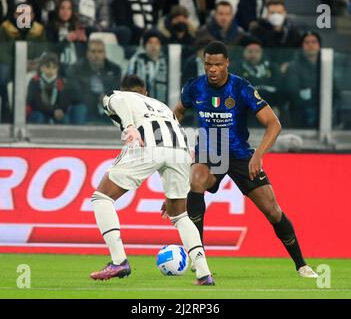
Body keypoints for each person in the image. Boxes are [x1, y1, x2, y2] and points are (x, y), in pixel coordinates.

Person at [164, 41, 318, 278]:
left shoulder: (241, 88)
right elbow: (178, 112)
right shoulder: (194, 87)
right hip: (209, 153)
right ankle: (198, 255)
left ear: (227, 63)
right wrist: (171, 137)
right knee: (196, 181)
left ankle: (302, 264)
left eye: (217, 64)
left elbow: (274, 124)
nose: (212, 69)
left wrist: (258, 155)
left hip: (240, 155)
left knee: (272, 211)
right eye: (208, 64)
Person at [89, 75, 215, 286]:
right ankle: (204, 273)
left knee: (101, 197)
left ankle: (119, 261)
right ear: (145, 92)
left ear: (125, 90)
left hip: (148, 145)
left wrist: (129, 126)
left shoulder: (120, 96)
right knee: (180, 214)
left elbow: (118, 101)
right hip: (181, 151)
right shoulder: (162, 105)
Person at [231, 35, 284, 126]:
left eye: (257, 51)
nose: (253, 55)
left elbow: (280, 88)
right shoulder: (236, 67)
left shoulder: (272, 67)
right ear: (243, 52)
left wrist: (277, 105)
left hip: (270, 105)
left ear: (262, 53)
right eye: (250, 51)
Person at [66, 39, 122, 124]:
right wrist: (91, 98)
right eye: (93, 51)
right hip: (85, 105)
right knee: (80, 109)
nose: (96, 55)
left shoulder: (115, 69)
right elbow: (73, 92)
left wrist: (106, 98)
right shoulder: (75, 69)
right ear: (87, 54)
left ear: (105, 53)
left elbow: (117, 90)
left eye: (100, 52)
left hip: (106, 106)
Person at [26, 52, 86, 124]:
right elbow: (35, 103)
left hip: (55, 112)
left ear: (57, 69)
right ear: (41, 68)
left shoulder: (61, 82)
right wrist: (52, 112)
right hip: (40, 112)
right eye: (48, 67)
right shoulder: (35, 81)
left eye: (54, 67)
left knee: (64, 118)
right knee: (39, 117)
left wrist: (60, 111)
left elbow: (65, 101)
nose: (51, 70)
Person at [283, 32, 322, 129]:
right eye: (307, 42)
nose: (310, 45)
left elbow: (334, 93)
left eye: (314, 42)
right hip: (301, 113)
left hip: (323, 111)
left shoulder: (325, 66)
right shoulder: (293, 67)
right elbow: (293, 93)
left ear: (319, 46)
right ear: (301, 47)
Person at [249, 0, 301, 64]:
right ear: (267, 14)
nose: (276, 16)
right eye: (272, 13)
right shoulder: (257, 32)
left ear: (284, 13)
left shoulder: (293, 33)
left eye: (279, 12)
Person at [46, 0, 87, 76]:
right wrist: (66, 40)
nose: (65, 12)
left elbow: (83, 54)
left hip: (76, 67)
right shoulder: (50, 27)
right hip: (56, 67)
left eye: (69, 9)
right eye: (62, 8)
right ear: (57, 9)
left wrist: (84, 41)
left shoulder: (76, 26)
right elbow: (51, 50)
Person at [127, 30, 168, 104]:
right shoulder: (136, 61)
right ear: (144, 45)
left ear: (160, 46)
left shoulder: (166, 61)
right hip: (141, 105)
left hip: (163, 106)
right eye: (150, 42)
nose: (153, 46)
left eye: (156, 43)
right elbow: (130, 85)